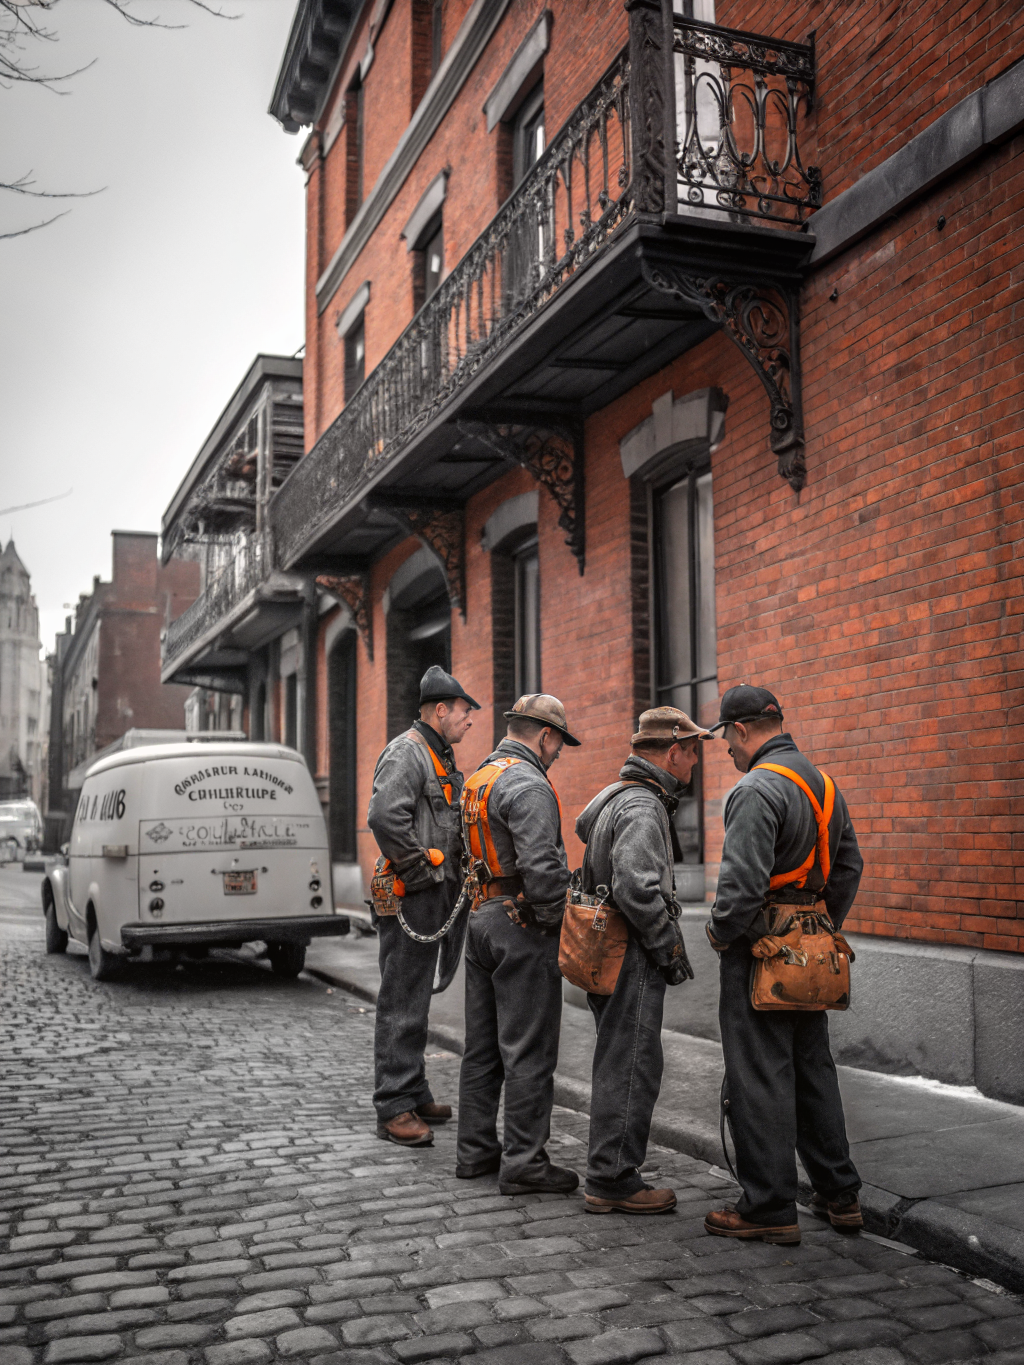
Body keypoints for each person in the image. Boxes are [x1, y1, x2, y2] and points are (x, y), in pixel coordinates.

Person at [703, 684, 864, 1245]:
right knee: (812, 1068)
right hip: (813, 945)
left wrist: (723, 934)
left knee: (759, 1075)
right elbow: (849, 865)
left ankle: (768, 1206)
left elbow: (741, 887)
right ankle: (840, 1194)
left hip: (761, 950)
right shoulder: (823, 785)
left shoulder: (756, 789)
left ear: (742, 731)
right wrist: (820, 927)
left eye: (726, 737)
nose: (726, 748)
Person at [575, 707, 705, 1214]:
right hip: (630, 954)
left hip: (610, 952)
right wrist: (670, 948)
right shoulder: (644, 807)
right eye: (692, 752)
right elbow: (637, 887)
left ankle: (609, 1170)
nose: (694, 764)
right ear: (673, 752)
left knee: (619, 1059)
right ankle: (613, 1177)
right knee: (632, 1064)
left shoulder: (619, 799)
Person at [456, 693, 580, 1194]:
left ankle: (475, 1153)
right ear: (545, 736)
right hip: (520, 922)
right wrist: (555, 925)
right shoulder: (528, 783)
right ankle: (525, 1161)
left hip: (480, 918)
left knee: (482, 1049)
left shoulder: (478, 779)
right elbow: (545, 874)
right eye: (558, 745)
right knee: (528, 1049)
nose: (557, 754)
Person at [366, 664, 479, 1147]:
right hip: (414, 896)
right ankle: (393, 1105)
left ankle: (412, 1088)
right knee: (401, 998)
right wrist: (420, 872)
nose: (469, 720)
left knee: (415, 998)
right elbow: (384, 818)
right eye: (462, 712)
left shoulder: (438, 754)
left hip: (435, 896)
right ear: (439, 711)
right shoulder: (407, 754)